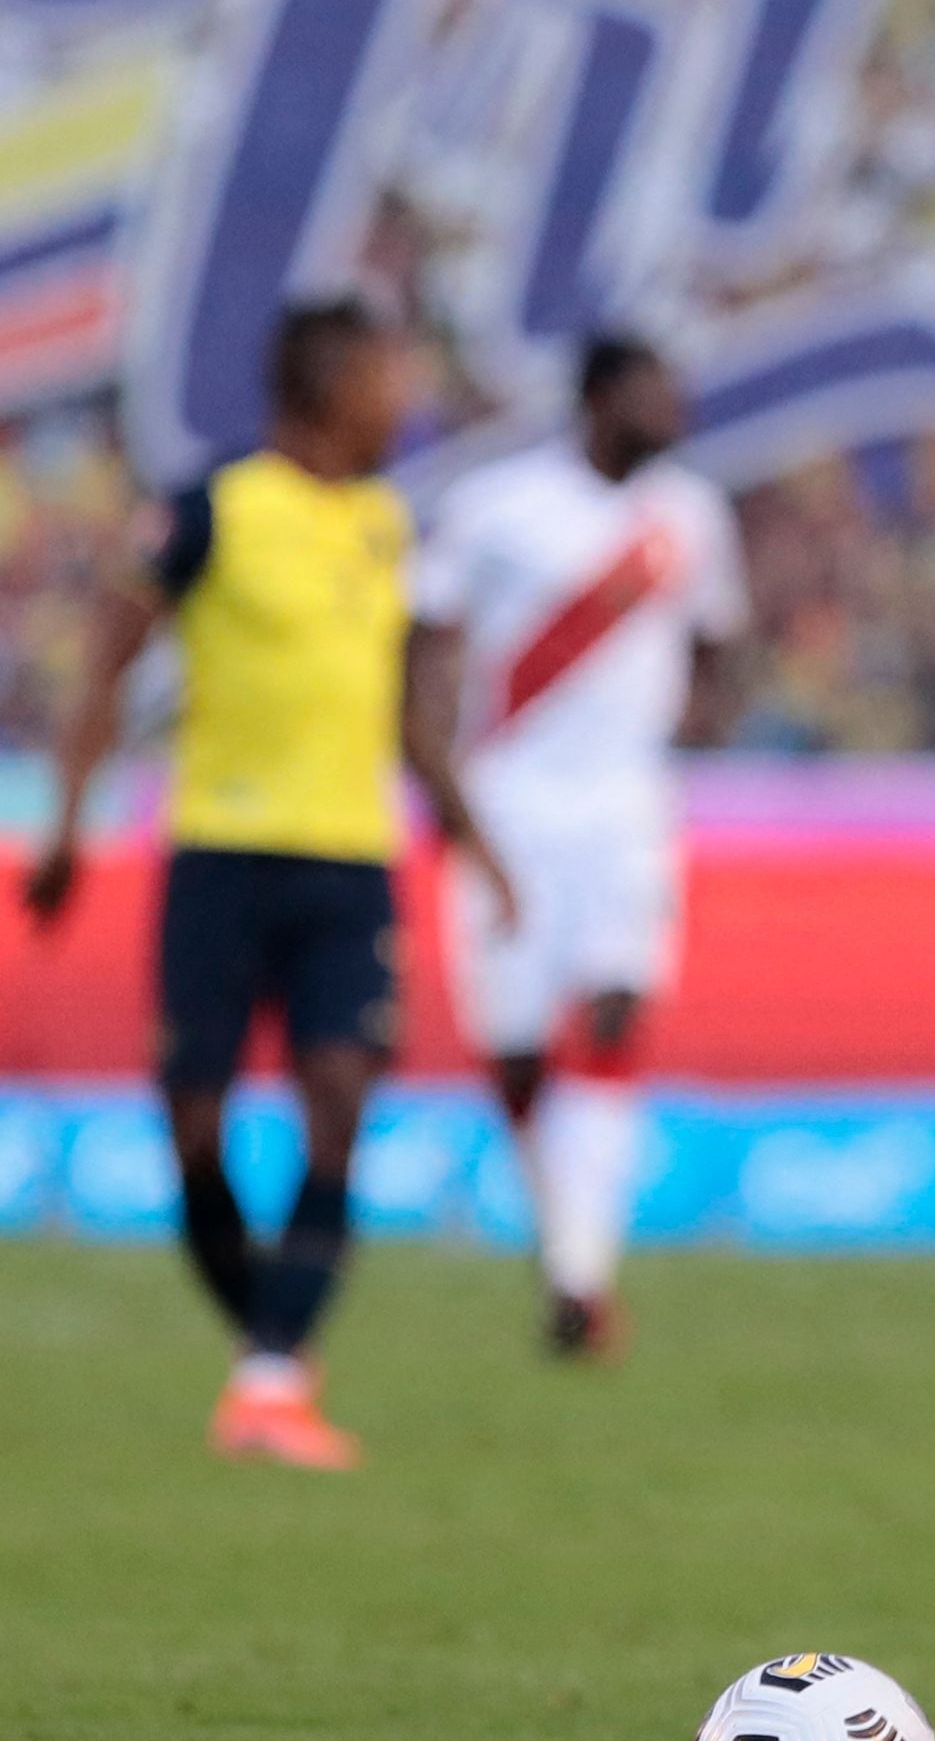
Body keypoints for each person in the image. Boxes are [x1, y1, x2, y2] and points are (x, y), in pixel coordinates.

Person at [22, 297, 505, 1468]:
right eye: (390, 377)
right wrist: (68, 824)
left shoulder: (387, 525)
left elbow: (406, 710)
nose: (405, 401)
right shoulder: (214, 509)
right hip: (223, 854)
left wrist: (474, 837)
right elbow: (109, 656)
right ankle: (270, 1350)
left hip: (349, 861)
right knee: (194, 1124)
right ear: (332, 384)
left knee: (340, 1095)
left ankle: (273, 1374)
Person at [406, 332, 749, 1357]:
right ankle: (567, 1247)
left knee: (612, 1010)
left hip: (626, 810)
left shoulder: (691, 514)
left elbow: (720, 641)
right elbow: (426, 649)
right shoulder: (498, 506)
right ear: (601, 399)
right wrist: (446, 796)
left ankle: (579, 1276)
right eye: (655, 393)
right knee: (516, 1051)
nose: (674, 412)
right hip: (507, 800)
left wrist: (695, 724)